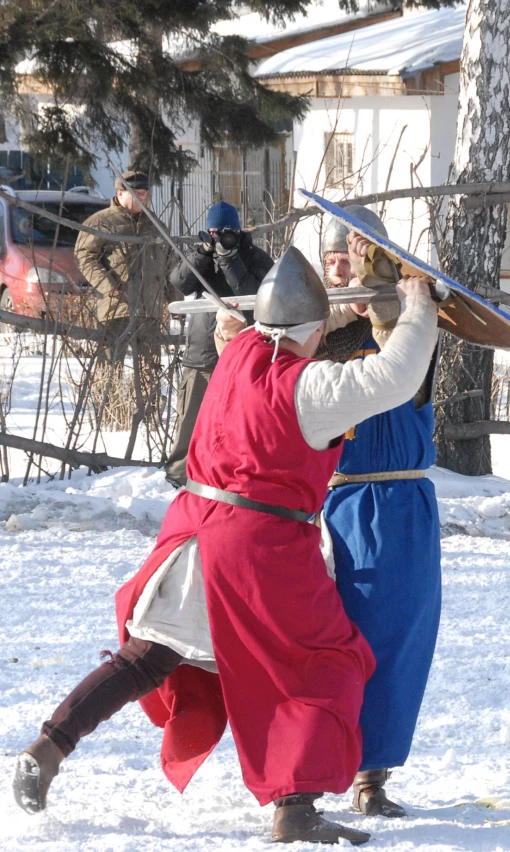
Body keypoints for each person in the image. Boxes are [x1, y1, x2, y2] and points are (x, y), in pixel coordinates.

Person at [13, 242, 437, 845]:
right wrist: (416, 306)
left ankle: (49, 745)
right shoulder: (308, 388)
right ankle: (295, 811)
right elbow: (395, 375)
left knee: (148, 657)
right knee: (324, 663)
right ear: (312, 330)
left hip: (191, 532)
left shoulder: (239, 351)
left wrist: (358, 304)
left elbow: (296, 327)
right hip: (257, 550)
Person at [320, 207, 442, 818]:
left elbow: (395, 335)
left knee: (397, 640)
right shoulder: (322, 336)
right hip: (336, 503)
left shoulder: (408, 331)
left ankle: (373, 775)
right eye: (333, 257)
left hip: (403, 505)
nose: (340, 266)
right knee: (330, 644)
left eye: (352, 255)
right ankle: (313, 770)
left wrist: (385, 274)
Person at [165, 200, 273, 489]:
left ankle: (233, 479)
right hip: (201, 355)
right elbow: (180, 281)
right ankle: (178, 479)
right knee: (190, 421)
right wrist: (203, 253)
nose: (220, 239)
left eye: (226, 233)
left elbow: (253, 296)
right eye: (214, 232)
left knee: (239, 424)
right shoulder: (202, 255)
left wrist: (230, 259)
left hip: (243, 355)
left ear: (238, 232)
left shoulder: (256, 259)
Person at [74, 170, 173, 422]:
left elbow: (170, 265)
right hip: (116, 309)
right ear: (120, 194)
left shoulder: (156, 225)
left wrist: (174, 300)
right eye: (137, 194)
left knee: (150, 367)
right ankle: (108, 417)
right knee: (110, 365)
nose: (143, 199)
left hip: (150, 309)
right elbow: (85, 258)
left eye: (145, 194)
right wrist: (109, 287)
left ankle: (149, 418)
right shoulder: (100, 223)